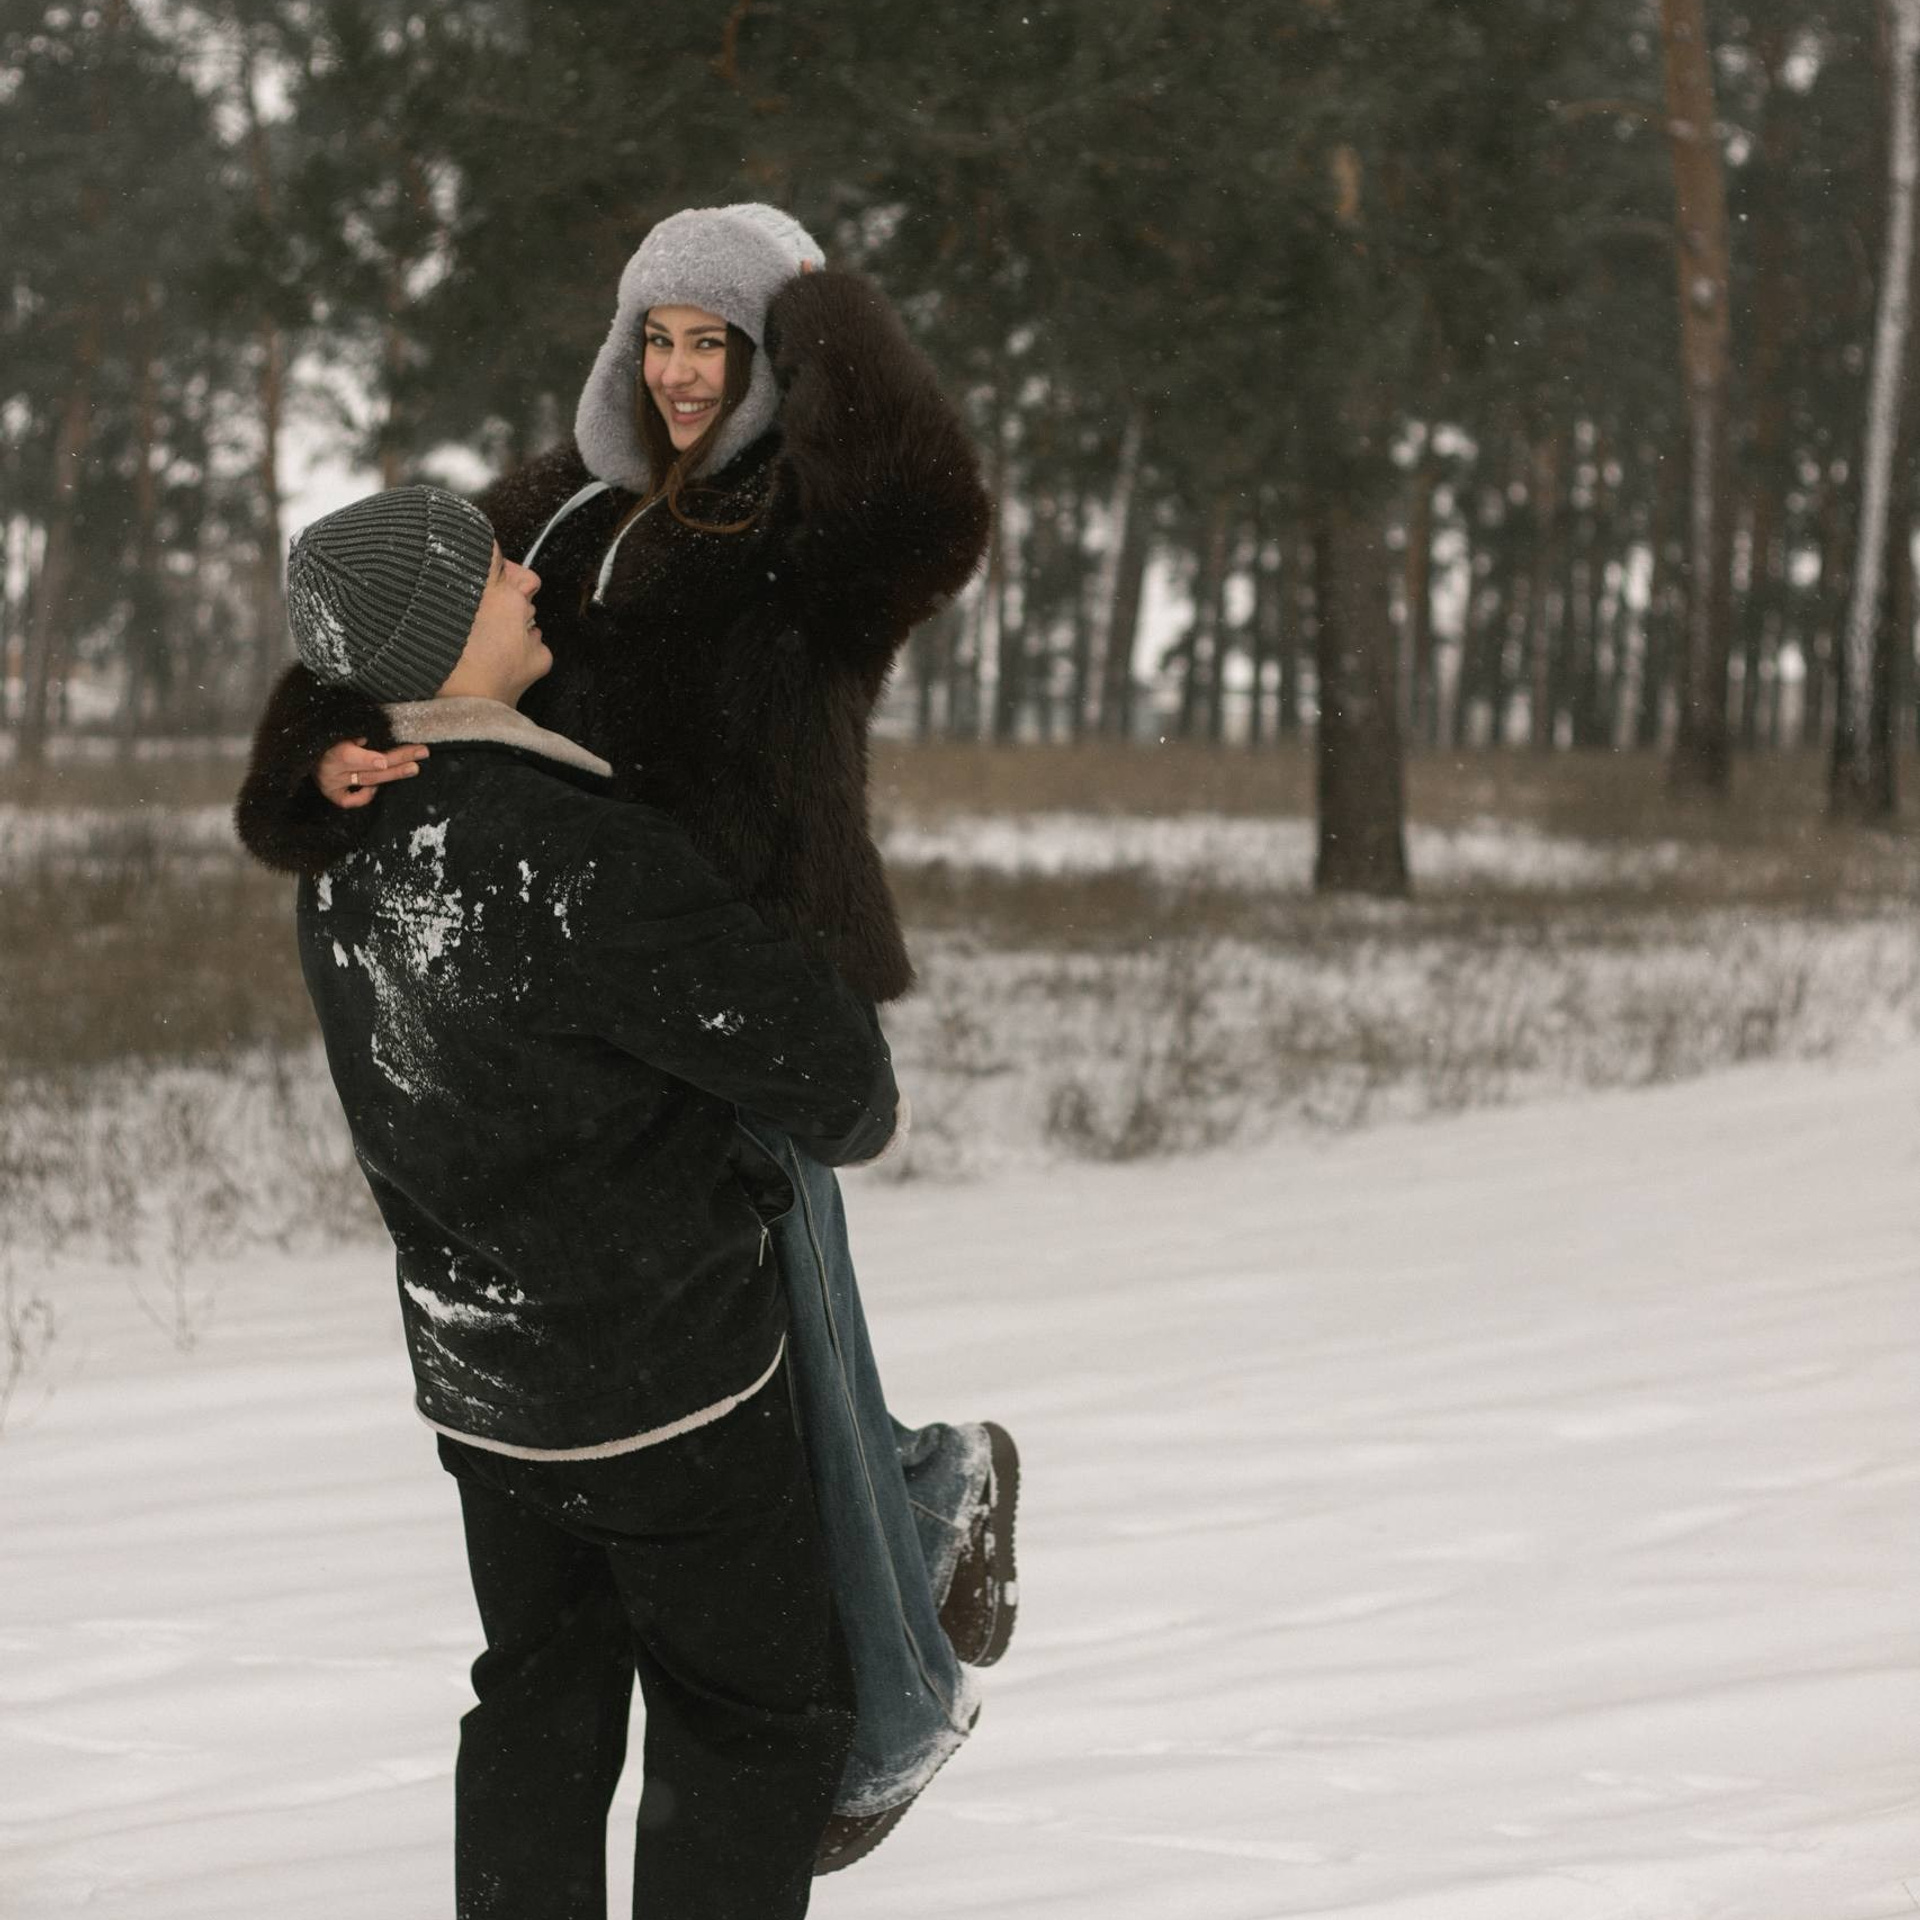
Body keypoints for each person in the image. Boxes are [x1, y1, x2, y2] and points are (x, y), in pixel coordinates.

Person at [236, 203, 1017, 1865]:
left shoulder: (801, 534)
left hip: (736, 996)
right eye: (655, 334)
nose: (676, 372)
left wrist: (818, 301)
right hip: (575, 990)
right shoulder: (552, 514)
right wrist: (317, 764)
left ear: (769, 358)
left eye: (714, 341)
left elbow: (934, 506)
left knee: (784, 1386)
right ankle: (917, 1517)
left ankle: (882, 1702)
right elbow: (386, 633)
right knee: (740, 1431)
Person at [279, 483, 902, 1918]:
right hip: (674, 1393)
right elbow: (846, 1092)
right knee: (748, 1726)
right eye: (495, 570)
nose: (529, 581)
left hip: (487, 1394)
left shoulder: (345, 852)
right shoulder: (570, 859)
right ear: (436, 630)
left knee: (539, 1715)